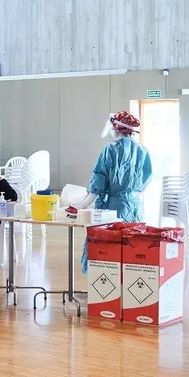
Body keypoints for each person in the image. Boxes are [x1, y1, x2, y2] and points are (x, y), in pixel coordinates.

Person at [78, 111, 153, 273]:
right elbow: (146, 179)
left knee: (107, 250)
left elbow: (99, 180)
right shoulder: (142, 151)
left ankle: (105, 291)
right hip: (135, 208)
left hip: (112, 208)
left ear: (116, 127)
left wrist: (83, 204)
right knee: (132, 246)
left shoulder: (110, 149)